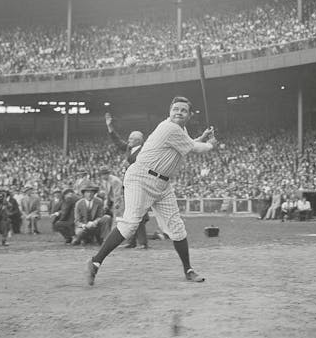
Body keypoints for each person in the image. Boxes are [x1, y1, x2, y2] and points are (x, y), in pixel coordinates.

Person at [85, 96, 217, 286]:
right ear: (169, 111)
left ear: (189, 115)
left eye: (183, 110)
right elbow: (194, 148)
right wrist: (211, 144)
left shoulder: (181, 130)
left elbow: (186, 144)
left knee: (177, 228)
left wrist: (201, 138)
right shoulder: (169, 127)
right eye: (176, 109)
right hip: (141, 178)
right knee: (130, 224)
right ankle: (95, 262)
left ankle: (188, 269)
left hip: (162, 184)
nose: (179, 112)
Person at [105, 112, 149, 249]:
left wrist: (129, 165)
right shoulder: (129, 149)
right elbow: (117, 141)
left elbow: (143, 167)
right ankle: (132, 242)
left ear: (138, 140)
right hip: (129, 185)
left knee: (138, 214)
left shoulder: (144, 151)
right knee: (130, 214)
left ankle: (142, 243)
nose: (128, 140)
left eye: (131, 138)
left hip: (139, 186)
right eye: (129, 138)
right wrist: (110, 127)